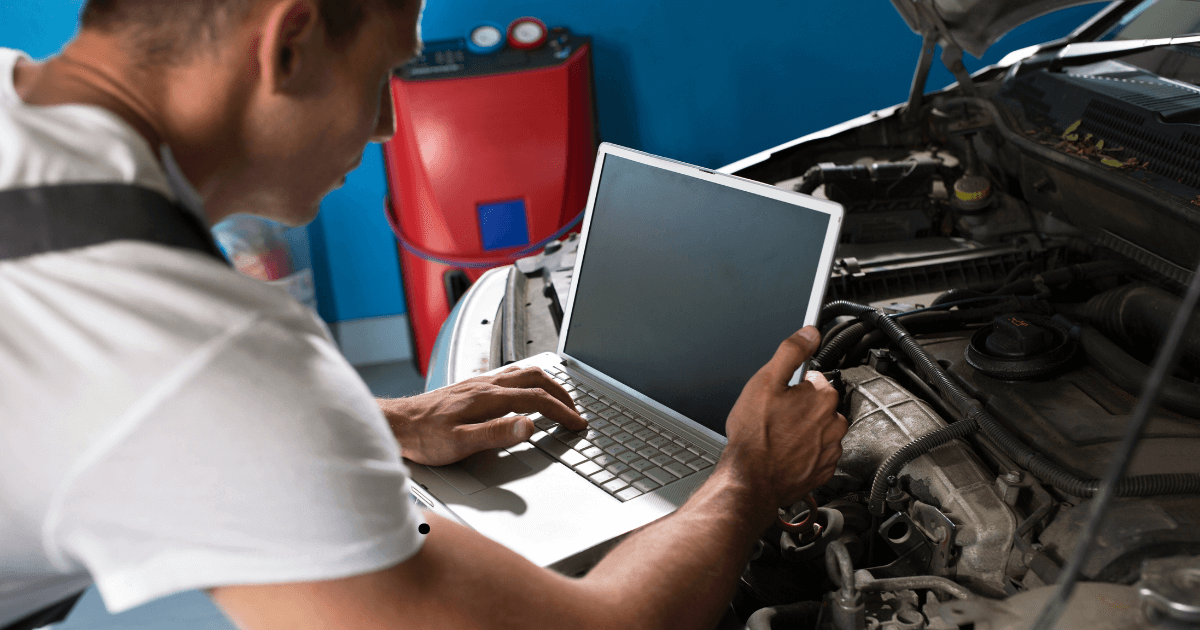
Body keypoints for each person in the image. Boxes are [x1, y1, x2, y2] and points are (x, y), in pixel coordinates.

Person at [0, 0, 848, 628]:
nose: (384, 127)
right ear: (289, 42)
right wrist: (747, 477)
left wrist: (383, 419)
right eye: (383, 77)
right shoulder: (203, 349)